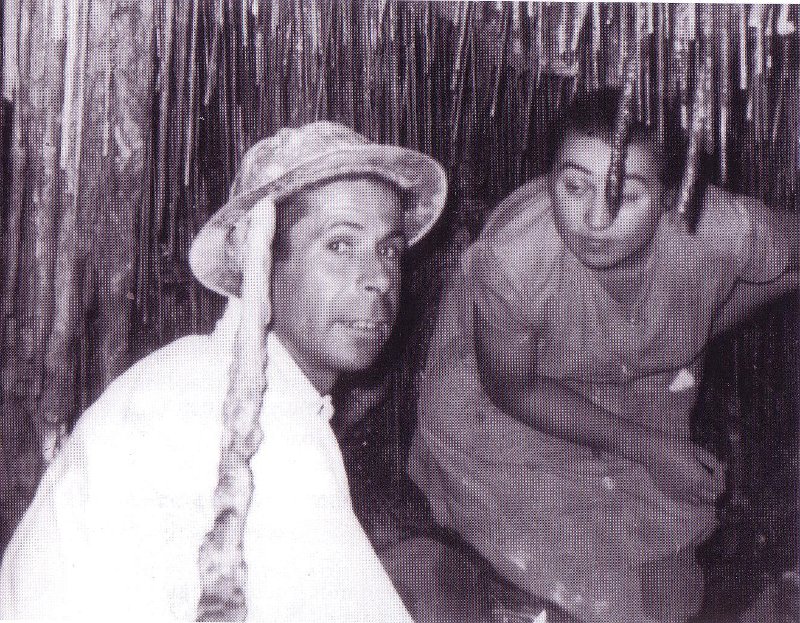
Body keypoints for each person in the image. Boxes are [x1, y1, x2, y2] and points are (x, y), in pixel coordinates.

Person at [0, 121, 447, 621]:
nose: (379, 279)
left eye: (389, 249)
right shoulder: (256, 420)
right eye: (340, 245)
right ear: (252, 256)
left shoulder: (201, 372)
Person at [408, 89, 798, 623]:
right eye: (574, 186)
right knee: (542, 574)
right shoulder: (516, 258)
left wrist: (708, 318)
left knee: (665, 593)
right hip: (503, 403)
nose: (595, 218)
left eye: (628, 194)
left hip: (634, 384)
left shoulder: (719, 227)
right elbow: (511, 387)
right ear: (550, 182)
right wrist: (653, 451)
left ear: (668, 196)